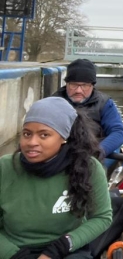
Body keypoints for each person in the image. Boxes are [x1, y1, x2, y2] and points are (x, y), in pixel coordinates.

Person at [0, 97, 112, 259]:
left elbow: (102, 217)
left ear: (64, 138)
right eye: (27, 134)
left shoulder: (88, 168)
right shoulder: (4, 167)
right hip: (13, 250)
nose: (32, 142)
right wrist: (15, 255)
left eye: (44, 135)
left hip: (66, 249)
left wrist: (60, 247)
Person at [54, 59, 123, 160]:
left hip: (95, 151)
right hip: (63, 152)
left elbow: (118, 132)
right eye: (74, 85)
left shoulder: (105, 103)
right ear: (67, 84)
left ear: (92, 85)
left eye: (84, 86)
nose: (78, 90)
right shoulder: (53, 102)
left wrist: (98, 152)